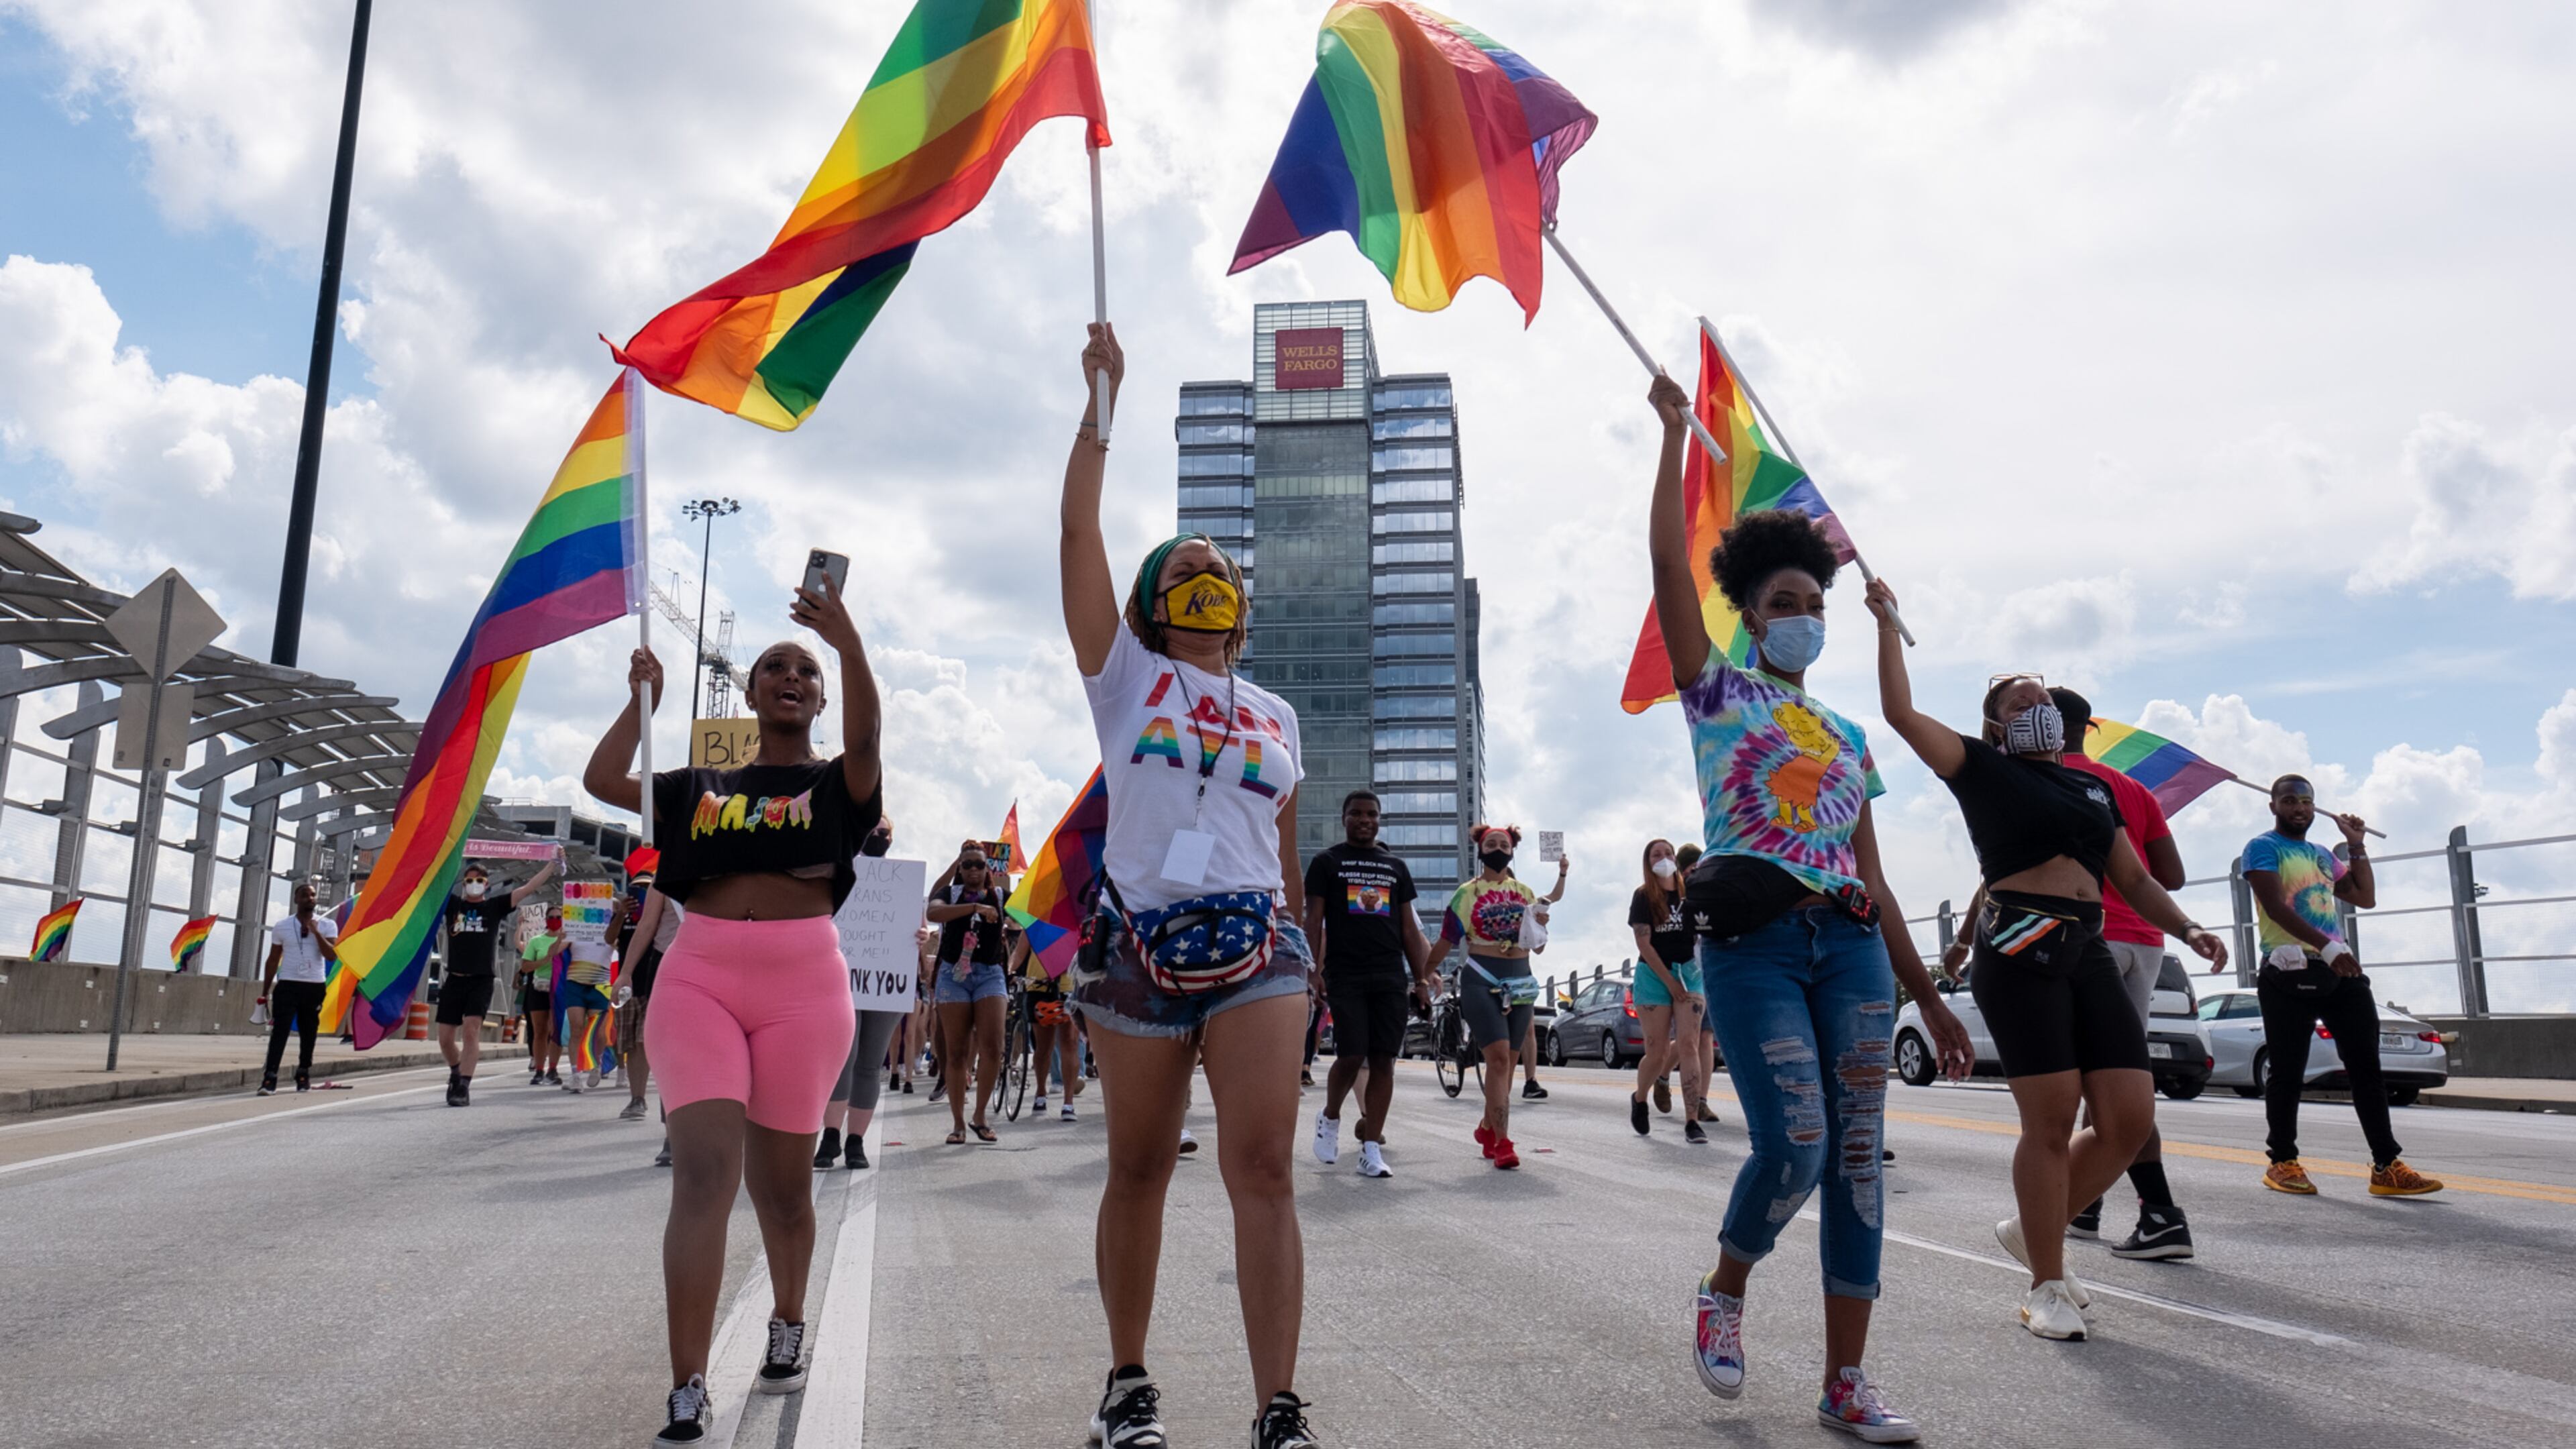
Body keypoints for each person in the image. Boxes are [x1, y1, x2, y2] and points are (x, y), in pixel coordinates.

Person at [1644, 376, 1978, 1444]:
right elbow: (1663, 573)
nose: (1803, 620)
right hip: (1754, 946)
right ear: (1747, 613)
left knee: (1860, 1156)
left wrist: (1934, 1002)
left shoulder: (1847, 737)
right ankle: (1727, 1287)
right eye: (1783, 604)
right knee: (1793, 1142)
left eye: (1814, 605)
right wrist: (1666, 442)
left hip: (1850, 951)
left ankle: (1846, 1384)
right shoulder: (1718, 694)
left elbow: (1873, 883)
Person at [1060, 322, 1322, 1449]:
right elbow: (1076, 530)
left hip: (1261, 949)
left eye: (1219, 566)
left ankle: (1277, 1407)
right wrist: (1101, 404)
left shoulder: (1279, 713)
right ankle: (1128, 1385)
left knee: (1263, 1166)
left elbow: (1283, 844)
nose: (1203, 571)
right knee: (1139, 1168)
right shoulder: (1124, 680)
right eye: (1184, 565)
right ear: (1156, 601)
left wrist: (1303, 940)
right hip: (1140, 951)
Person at [1867, 597, 2228, 1344]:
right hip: (2019, 950)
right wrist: (1885, 626)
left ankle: (2032, 1229)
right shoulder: (1982, 768)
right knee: (2053, 1119)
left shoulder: (2093, 789)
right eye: (2019, 703)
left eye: (2043, 699)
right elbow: (1901, 713)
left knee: (2129, 1119)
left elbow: (2132, 879)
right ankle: (2046, 1282)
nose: (2037, 710)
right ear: (1999, 723)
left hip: (2088, 947)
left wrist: (2188, 927)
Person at [580, 567, 883, 1447]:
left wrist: (847, 641)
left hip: (803, 987)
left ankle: (787, 1317)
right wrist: (642, 700)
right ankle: (688, 1382)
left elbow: (868, 736)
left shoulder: (840, 785)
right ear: (749, 692)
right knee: (704, 1179)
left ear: (819, 697)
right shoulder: (695, 788)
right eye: (775, 667)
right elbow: (605, 777)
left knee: (783, 1190)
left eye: (806, 671)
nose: (792, 676)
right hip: (701, 976)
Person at [1944, 687, 2196, 1257]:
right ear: (2093, 727)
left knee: (2106, 1093)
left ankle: (2103, 1208)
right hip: (2136, 942)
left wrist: (1963, 940)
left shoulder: (2078, 786)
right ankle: (2114, 1210)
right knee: (2101, 1090)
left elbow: (1996, 877)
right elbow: (2169, 873)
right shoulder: (2126, 787)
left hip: (2092, 940)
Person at [2243, 776, 2442, 1199]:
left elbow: (2364, 897)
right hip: (2288, 968)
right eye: (2290, 801)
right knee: (2288, 1070)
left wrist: (2356, 846)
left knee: (2367, 1067)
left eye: (2307, 802)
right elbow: (2276, 908)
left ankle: (2386, 1166)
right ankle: (2282, 1161)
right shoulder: (2262, 848)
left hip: (2337, 967)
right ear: (2274, 806)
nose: (2300, 808)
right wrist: (2327, 946)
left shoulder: (2319, 855)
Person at [1304, 789, 1437, 1179]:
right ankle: (1330, 1118)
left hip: (1389, 974)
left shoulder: (1395, 866)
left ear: (1380, 819)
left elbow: (1409, 930)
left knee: (1383, 1060)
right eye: (1357, 813)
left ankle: (1371, 1147)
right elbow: (1314, 921)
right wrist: (1313, 970)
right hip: (1345, 972)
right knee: (1351, 1054)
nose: (1365, 820)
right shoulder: (1326, 862)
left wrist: (1422, 979)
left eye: (1372, 814)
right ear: (1344, 818)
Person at [1437, 825, 1567, 1171]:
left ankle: (1486, 1128)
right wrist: (1424, 974)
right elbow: (1446, 939)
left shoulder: (1525, 892)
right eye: (1490, 844)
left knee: (1507, 1065)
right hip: (1481, 975)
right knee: (1496, 1060)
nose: (1497, 849)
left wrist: (1541, 923)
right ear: (1480, 851)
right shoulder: (1466, 894)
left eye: (1503, 844)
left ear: (1512, 851)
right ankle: (1504, 1143)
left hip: (1520, 979)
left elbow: (1537, 945)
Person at [817, 818, 907, 1170]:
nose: (878, 837)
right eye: (872, 831)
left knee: (869, 1064)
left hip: (886, 981)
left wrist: (915, 936)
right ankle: (830, 1137)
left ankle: (856, 1143)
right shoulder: (835, 873)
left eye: (884, 833)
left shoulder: (903, 883)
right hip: (844, 980)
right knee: (843, 1060)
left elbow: (915, 925)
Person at [437, 853, 558, 1106]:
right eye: (470, 880)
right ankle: (455, 1070)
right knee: (446, 1039)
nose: (474, 884)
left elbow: (528, 888)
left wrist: (551, 865)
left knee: (471, 1031)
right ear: (463, 884)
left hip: (481, 980)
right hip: (454, 979)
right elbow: (429, 884)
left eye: (479, 880)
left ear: (487, 884)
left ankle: (463, 1086)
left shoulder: (494, 907)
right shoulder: (453, 906)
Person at [925, 844, 1012, 1144]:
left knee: (993, 1047)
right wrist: (974, 908)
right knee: (957, 1052)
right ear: (959, 869)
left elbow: (1029, 917)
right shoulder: (950, 895)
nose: (974, 870)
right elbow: (933, 912)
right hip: (954, 975)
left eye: (979, 864)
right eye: (968, 865)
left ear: (988, 869)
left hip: (990, 974)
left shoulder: (999, 897)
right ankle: (959, 1123)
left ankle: (980, 1116)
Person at [1629, 839, 1712, 1143]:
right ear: (1648, 862)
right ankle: (1640, 1098)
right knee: (1658, 1050)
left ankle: (1692, 1121)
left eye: (1667, 853)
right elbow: (1644, 943)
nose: (1663, 858)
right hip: (1654, 975)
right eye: (1656, 854)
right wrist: (1669, 982)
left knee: (1690, 1044)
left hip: (1689, 971)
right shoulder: (1643, 897)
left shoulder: (1690, 892)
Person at [257, 880, 339, 1095]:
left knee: (309, 1031)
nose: (310, 899)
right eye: (305, 895)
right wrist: (265, 992)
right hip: (288, 984)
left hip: (314, 985)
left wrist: (316, 932)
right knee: (280, 1031)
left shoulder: (327, 925)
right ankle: (270, 1076)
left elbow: (331, 955)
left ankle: (303, 1073)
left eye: (312, 895)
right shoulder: (283, 926)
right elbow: (273, 960)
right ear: (296, 899)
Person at [621, 851, 684, 1128]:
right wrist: (624, 973)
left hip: (710, 963)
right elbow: (646, 926)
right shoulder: (667, 872)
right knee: (667, 1046)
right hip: (666, 964)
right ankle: (672, 1127)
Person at [517, 906, 568, 1087]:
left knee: (556, 1030)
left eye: (559, 917)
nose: (555, 920)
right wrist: (544, 961)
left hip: (559, 989)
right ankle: (539, 1069)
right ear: (546, 920)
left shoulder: (569, 941)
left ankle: (553, 1069)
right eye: (551, 917)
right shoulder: (536, 941)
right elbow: (525, 966)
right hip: (539, 988)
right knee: (540, 1031)